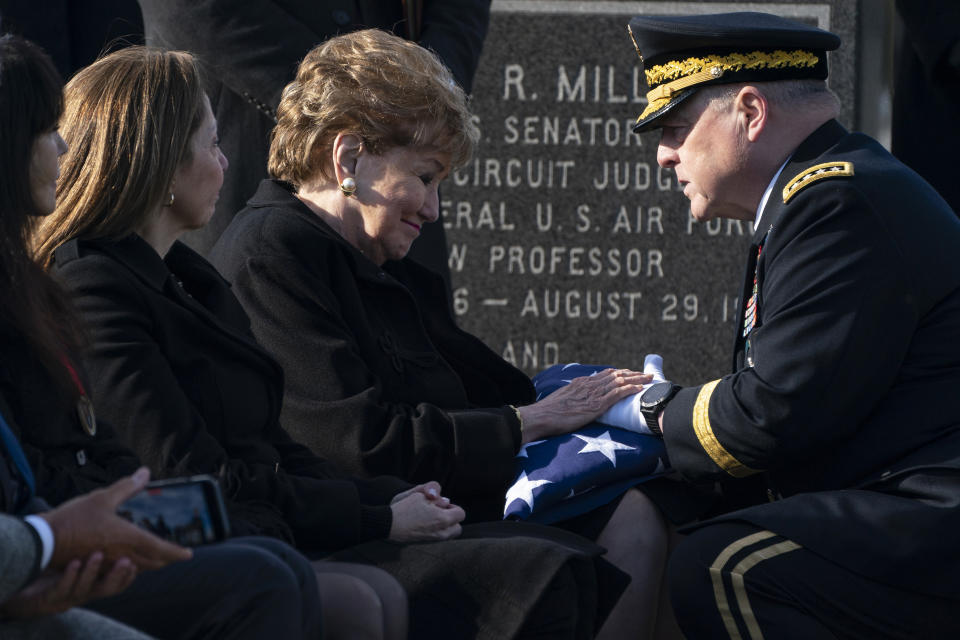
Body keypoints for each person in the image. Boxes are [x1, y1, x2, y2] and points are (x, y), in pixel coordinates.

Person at [34, 43, 625, 640]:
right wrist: (379, 513)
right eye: (211, 144)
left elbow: (275, 445)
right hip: (236, 540)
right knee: (528, 571)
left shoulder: (191, 279)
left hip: (282, 522)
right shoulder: (106, 283)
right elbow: (189, 474)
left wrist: (394, 501)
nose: (225, 162)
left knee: (582, 549)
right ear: (160, 159)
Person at [207, 28, 685, 640]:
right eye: (425, 177)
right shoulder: (271, 256)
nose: (433, 210)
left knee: (660, 508)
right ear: (349, 157)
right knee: (573, 554)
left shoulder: (373, 258)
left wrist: (586, 403)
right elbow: (354, 443)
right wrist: (531, 422)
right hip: (366, 524)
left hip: (441, 497)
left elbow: (489, 384)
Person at [621, 12, 960, 638]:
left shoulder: (837, 202)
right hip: (894, 493)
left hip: (930, 512)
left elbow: (767, 417)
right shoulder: (820, 195)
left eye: (674, 126)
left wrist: (644, 410)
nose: (664, 155)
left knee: (726, 567)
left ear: (750, 111)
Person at [0, 33, 325, 640]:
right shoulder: (87, 286)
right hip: (47, 552)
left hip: (75, 537)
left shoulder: (181, 279)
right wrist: (57, 534)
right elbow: (165, 464)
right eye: (45, 132)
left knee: (282, 570)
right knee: (272, 577)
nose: (64, 147)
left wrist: (375, 508)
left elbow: (104, 454)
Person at [135, 0, 492, 282]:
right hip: (250, 139)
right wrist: (334, 103)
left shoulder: (416, 185)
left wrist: (425, 101)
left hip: (400, 154)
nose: (433, 209)